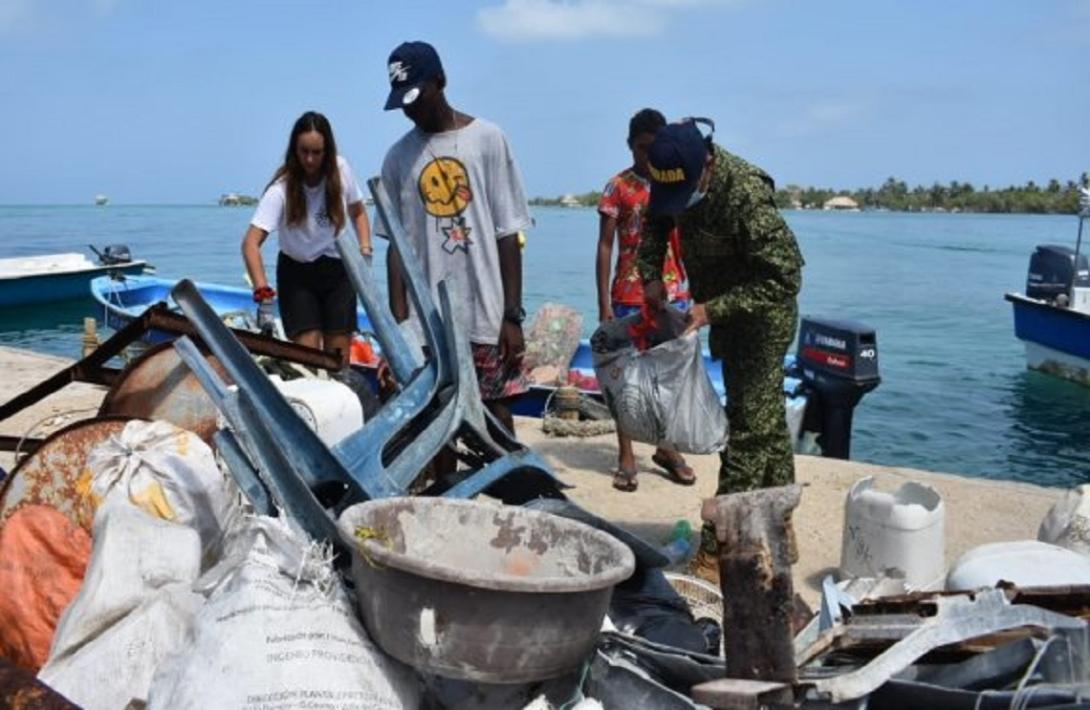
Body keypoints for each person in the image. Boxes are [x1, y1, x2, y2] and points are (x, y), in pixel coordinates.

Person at [637, 118, 804, 577]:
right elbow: (654, 223)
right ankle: (779, 518)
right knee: (765, 422)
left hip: (763, 319)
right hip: (719, 313)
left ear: (707, 164)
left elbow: (785, 277)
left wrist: (712, 309)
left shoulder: (746, 195)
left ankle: (716, 552)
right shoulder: (672, 179)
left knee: (747, 434)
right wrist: (649, 274)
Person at [378, 41, 532, 435]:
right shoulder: (398, 158)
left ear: (441, 81)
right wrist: (400, 327)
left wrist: (511, 315)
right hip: (427, 321)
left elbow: (507, 232)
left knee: (496, 414)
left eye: (417, 97)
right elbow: (396, 247)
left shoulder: (487, 139)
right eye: (403, 103)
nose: (411, 110)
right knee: (436, 419)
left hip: (485, 311)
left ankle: (510, 494)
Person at [596, 108, 695, 492]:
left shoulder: (676, 184)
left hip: (674, 292)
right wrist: (604, 300)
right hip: (628, 293)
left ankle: (666, 448)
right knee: (624, 377)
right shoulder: (617, 187)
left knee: (669, 376)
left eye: (654, 148)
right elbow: (605, 246)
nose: (647, 156)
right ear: (629, 146)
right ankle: (626, 454)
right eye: (641, 148)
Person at [242, 111, 371, 365]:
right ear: (294, 150)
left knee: (337, 361)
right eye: (304, 152)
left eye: (317, 152)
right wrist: (262, 292)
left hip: (338, 270)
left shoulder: (341, 169)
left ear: (328, 151)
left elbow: (358, 212)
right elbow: (250, 244)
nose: (310, 160)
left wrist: (365, 252)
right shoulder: (281, 189)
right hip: (297, 274)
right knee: (309, 361)